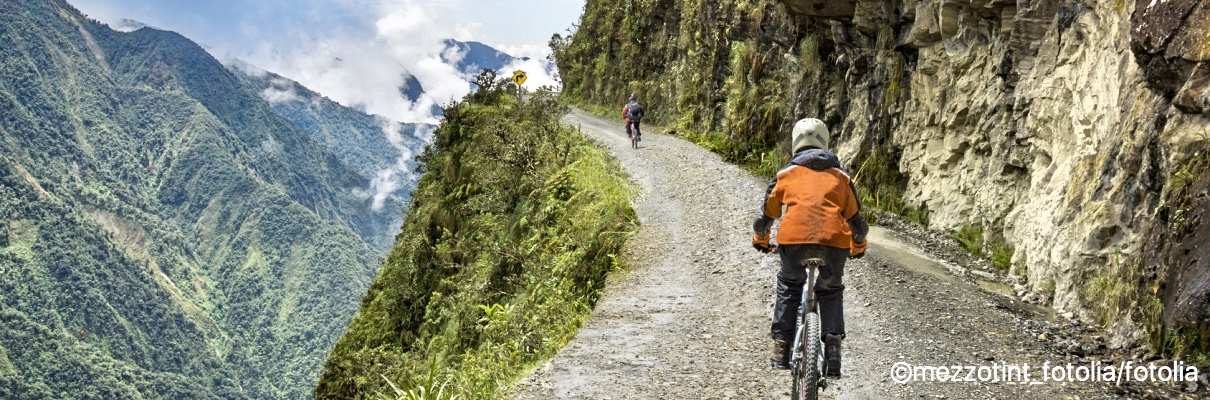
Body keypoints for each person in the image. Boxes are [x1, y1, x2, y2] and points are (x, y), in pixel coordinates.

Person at [751, 118, 868, 376]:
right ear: (825, 142)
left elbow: (765, 218)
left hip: (793, 242)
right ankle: (834, 350)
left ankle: (780, 349)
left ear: (795, 143)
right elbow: (857, 223)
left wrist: (761, 240)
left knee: (789, 287)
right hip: (834, 243)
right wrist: (857, 246)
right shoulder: (841, 177)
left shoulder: (785, 175)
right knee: (830, 290)